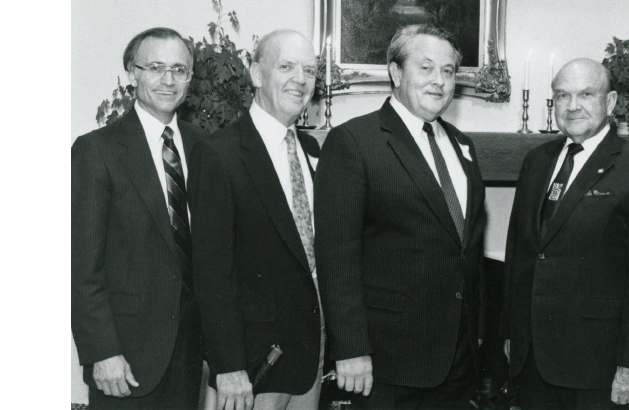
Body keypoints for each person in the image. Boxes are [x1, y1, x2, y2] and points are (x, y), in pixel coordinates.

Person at [315, 24, 487, 410]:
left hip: (457, 362)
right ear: (396, 73)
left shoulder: (463, 145)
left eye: (448, 71)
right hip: (385, 364)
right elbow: (336, 258)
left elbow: (465, 248)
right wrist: (351, 349)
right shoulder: (355, 142)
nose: (439, 81)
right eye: (426, 68)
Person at [500, 58, 629, 409]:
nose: (572, 106)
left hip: (597, 366)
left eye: (586, 94)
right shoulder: (537, 161)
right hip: (533, 361)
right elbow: (519, 253)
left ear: (611, 102)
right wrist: (512, 332)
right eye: (562, 95)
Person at [188, 29, 324, 410]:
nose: (301, 79)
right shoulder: (219, 154)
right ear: (256, 74)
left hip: (309, 353)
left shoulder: (311, 151)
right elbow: (212, 273)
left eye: (310, 71)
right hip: (251, 364)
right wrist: (227, 367)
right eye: (286, 66)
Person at [71, 27, 206, 409]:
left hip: (188, 356)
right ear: (133, 72)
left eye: (179, 70)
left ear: (190, 79)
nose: (168, 80)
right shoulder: (97, 151)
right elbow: (82, 266)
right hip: (124, 361)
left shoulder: (204, 148)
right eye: (156, 67)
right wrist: (102, 352)